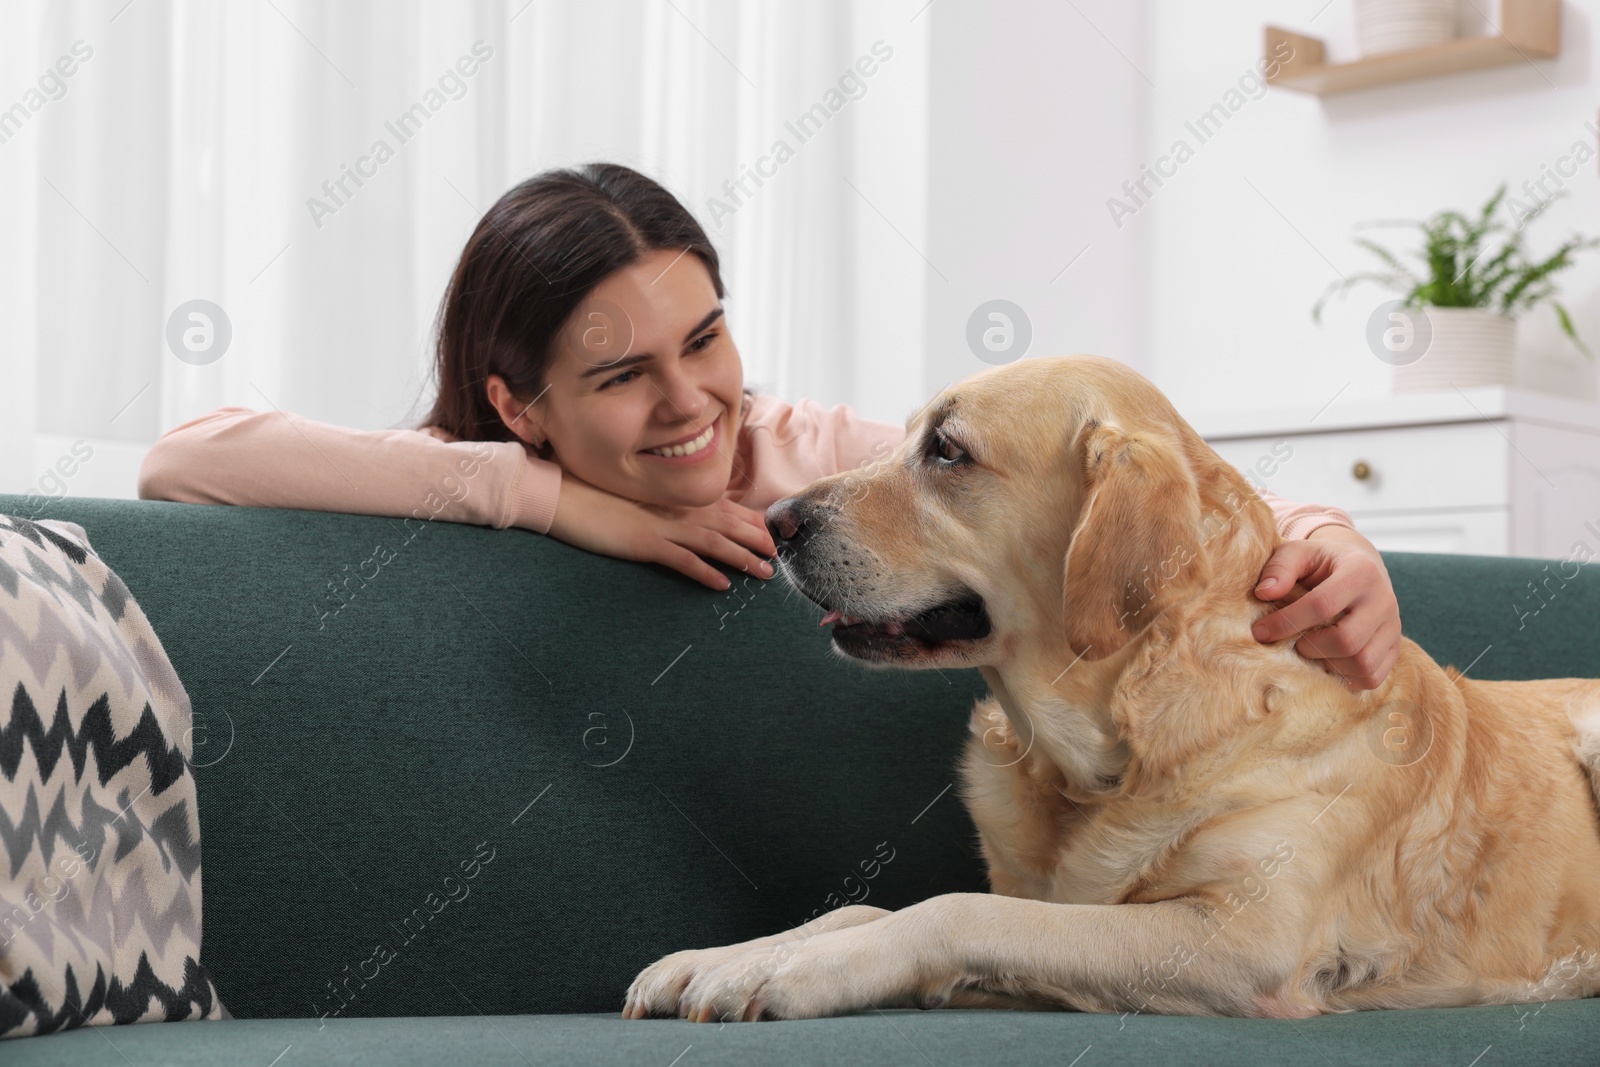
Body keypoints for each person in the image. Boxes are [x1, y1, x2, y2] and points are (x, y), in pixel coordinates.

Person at [137, 163, 1401, 689]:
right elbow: (185, 458)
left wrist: (1324, 530)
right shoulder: (475, 477)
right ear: (521, 407)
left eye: (705, 338)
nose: (692, 403)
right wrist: (568, 508)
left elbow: (1096, 481)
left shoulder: (811, 457)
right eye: (624, 373)